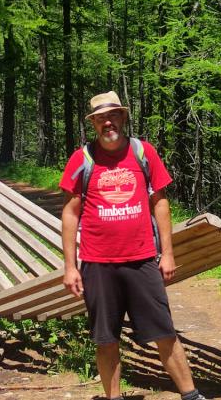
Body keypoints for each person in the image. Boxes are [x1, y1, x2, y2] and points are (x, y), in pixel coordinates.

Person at [60, 91, 206, 400]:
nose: (107, 123)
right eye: (101, 118)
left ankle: (191, 395)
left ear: (123, 117)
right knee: (106, 339)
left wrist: (168, 254)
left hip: (142, 260)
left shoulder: (143, 152)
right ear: (93, 124)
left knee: (164, 331)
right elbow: (71, 212)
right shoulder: (82, 159)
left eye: (113, 116)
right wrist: (70, 267)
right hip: (98, 264)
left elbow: (160, 202)